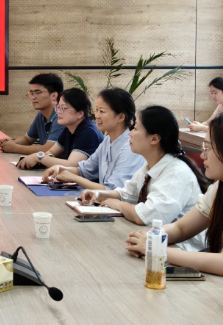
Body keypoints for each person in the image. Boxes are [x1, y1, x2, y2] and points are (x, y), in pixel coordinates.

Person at [125, 113, 223, 312]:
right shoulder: (221, 188)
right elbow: (182, 228)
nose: (202, 156)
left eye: (208, 148)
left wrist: (159, 251)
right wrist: (152, 239)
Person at [79, 105, 206, 251]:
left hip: (182, 249)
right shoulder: (150, 165)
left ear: (154, 139)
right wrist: (98, 194)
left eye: (135, 129)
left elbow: (148, 217)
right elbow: (127, 193)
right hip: (155, 241)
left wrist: (119, 205)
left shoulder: (176, 173)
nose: (130, 134)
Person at [42, 88, 145, 190]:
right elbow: (85, 170)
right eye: (96, 110)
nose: (97, 115)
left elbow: (113, 190)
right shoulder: (107, 140)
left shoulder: (130, 147)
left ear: (120, 117)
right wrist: (59, 168)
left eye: (102, 111)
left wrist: (73, 177)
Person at [18, 88, 103, 170]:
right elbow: (52, 153)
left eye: (63, 108)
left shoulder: (89, 133)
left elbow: (72, 165)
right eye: (58, 107)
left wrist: (39, 158)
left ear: (80, 113)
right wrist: (38, 158)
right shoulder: (69, 128)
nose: (58, 112)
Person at [0, 73, 65, 155]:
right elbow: (27, 139)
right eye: (32, 93)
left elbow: (49, 150)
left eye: (38, 93)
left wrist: (14, 148)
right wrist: (9, 143)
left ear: (54, 95)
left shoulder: (61, 116)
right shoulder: (41, 115)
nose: (33, 97)